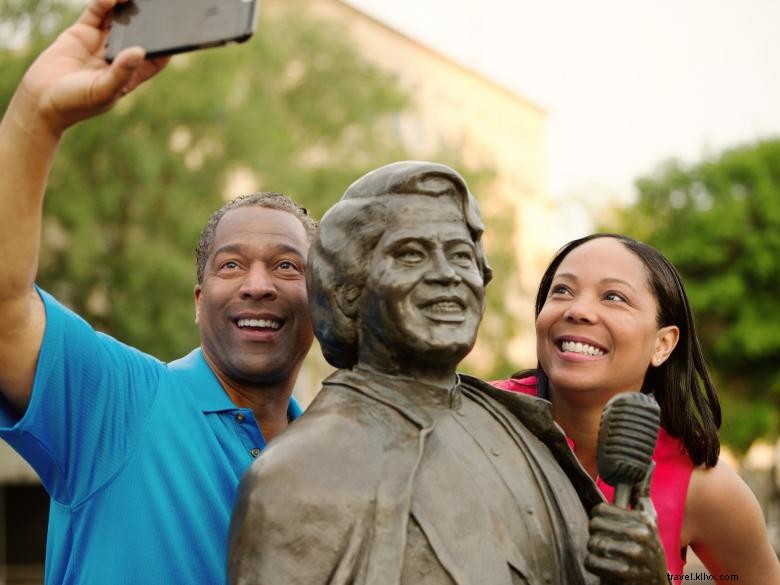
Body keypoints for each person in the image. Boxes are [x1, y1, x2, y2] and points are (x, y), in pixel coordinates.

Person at [228, 161, 669, 585]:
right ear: (347, 292)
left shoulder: (526, 431)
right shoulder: (297, 478)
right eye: (412, 254)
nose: (447, 275)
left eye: (460, 255)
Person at [0, 1, 317, 583]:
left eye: (287, 266)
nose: (257, 285)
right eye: (230, 265)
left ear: (320, 303)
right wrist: (36, 116)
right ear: (199, 303)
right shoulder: (118, 404)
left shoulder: (334, 457)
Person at [493, 233, 780, 583]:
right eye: (562, 290)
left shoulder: (703, 488)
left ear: (663, 344)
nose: (577, 310)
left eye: (613, 297)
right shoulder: (476, 419)